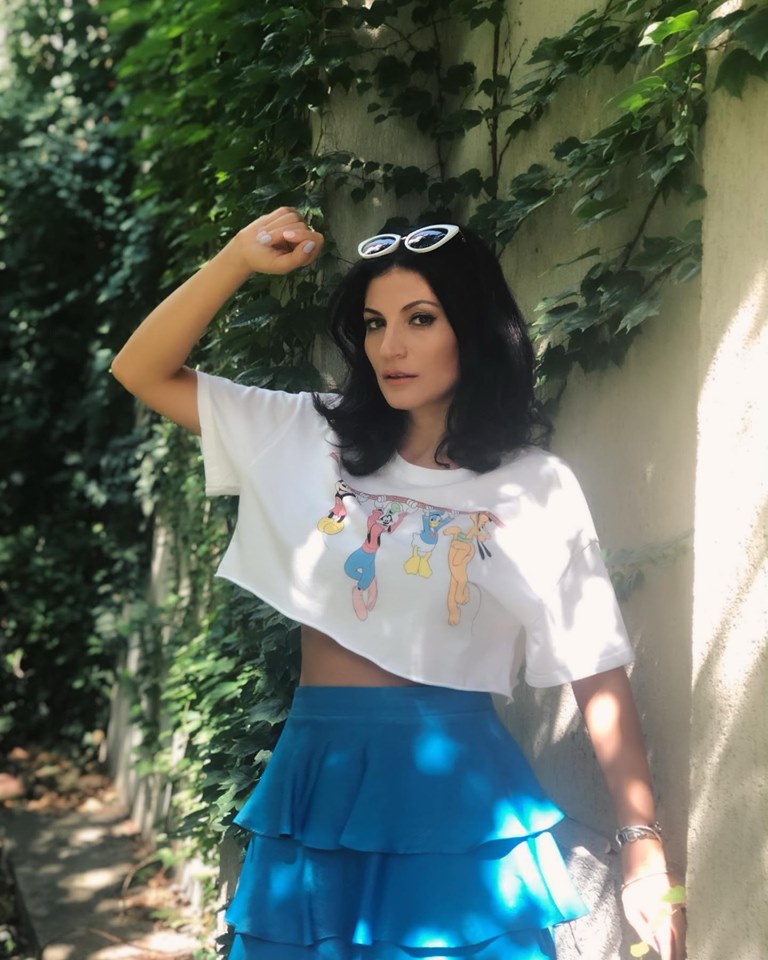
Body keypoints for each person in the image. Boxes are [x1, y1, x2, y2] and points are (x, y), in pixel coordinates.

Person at [111, 207, 686, 960]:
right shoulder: (309, 434)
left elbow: (594, 665)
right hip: (317, 784)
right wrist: (235, 260)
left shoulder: (533, 485)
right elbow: (141, 370)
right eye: (374, 324)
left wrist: (642, 845)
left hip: (457, 802)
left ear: (473, 329)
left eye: (420, 319)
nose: (390, 347)